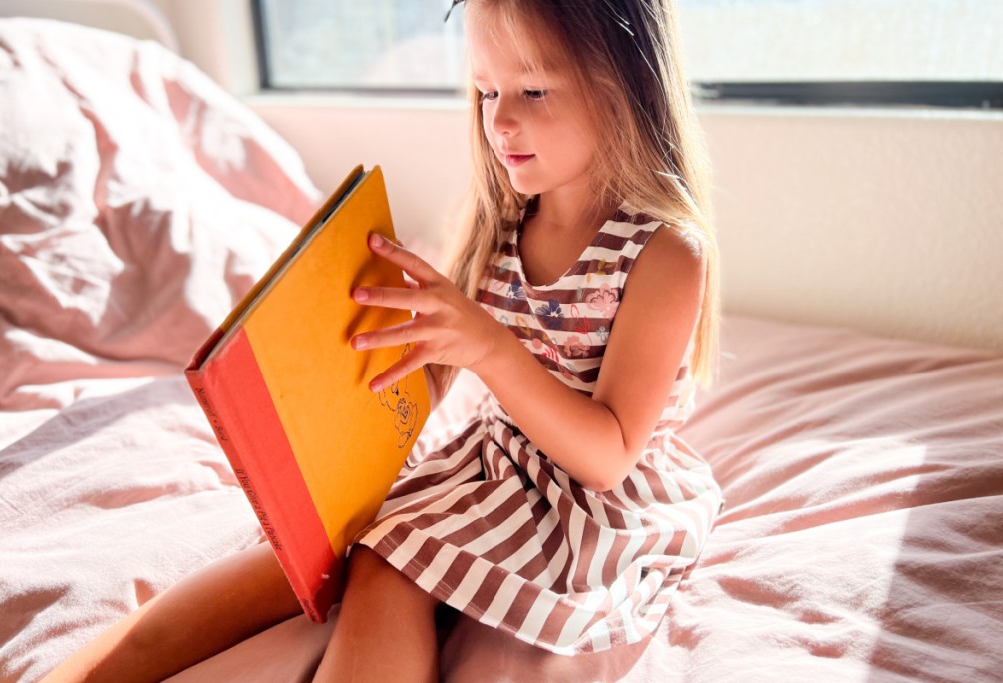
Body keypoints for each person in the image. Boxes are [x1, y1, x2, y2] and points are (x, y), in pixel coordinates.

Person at [42, 0, 722, 681]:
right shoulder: (503, 221)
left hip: (585, 506)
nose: (500, 120)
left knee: (384, 563)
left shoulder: (664, 254)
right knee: (305, 559)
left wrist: (487, 346)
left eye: (533, 90)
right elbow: (422, 380)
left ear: (622, 86)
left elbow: (607, 456)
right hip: (496, 463)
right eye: (486, 92)